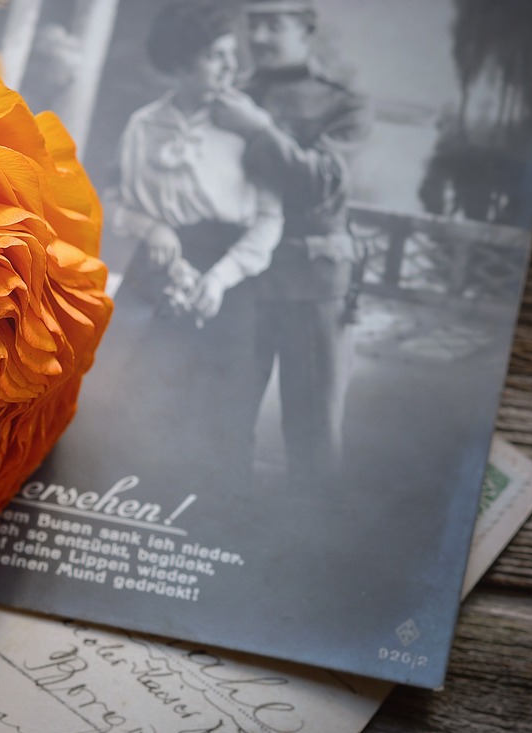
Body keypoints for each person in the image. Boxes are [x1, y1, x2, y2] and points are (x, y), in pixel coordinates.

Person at [87, 0, 282, 499]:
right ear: (179, 62)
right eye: (215, 56)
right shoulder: (144, 125)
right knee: (137, 399)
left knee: (223, 411)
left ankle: (214, 526)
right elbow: (117, 200)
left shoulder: (250, 128)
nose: (230, 67)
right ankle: (132, 506)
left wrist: (218, 278)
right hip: (157, 270)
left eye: (230, 55)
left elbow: (269, 218)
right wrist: (152, 227)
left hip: (232, 276)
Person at [210, 0, 372, 497]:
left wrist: (259, 129)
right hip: (241, 278)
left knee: (313, 427)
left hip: (311, 282)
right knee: (223, 417)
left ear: (305, 31)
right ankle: (221, 523)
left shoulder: (342, 104)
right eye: (252, 23)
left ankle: (309, 541)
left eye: (274, 23)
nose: (258, 35)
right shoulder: (228, 95)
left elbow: (321, 185)